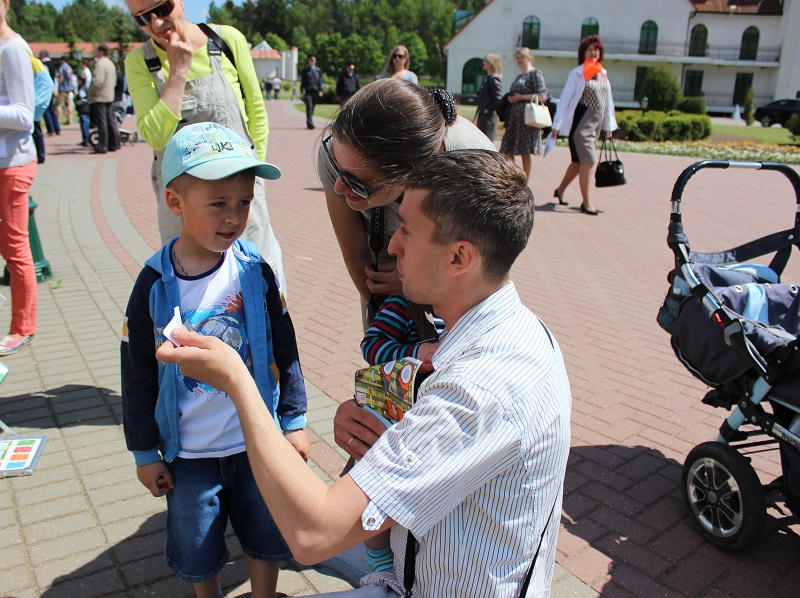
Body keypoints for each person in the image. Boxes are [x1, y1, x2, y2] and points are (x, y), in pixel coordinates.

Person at [156, 149, 572, 597]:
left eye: (407, 231)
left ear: (459, 258)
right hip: (414, 565)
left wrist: (237, 381)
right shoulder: (511, 329)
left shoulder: (479, 390)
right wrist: (381, 428)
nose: (392, 246)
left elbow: (313, 533)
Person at [121, 122, 309, 598]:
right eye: (218, 204)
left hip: (256, 441)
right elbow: (137, 375)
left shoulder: (253, 271)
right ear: (175, 202)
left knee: (266, 532)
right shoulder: (153, 285)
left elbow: (285, 349)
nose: (234, 217)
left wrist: (293, 421)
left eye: (244, 202)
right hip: (189, 456)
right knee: (197, 546)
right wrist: (144, 454)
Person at [124, 0, 287, 295]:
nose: (156, 23)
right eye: (142, 18)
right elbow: (156, 136)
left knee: (257, 274)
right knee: (190, 283)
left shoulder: (226, 40)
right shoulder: (139, 61)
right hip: (184, 200)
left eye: (162, 8)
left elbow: (256, 112)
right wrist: (178, 72)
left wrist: (253, 180)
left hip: (238, 192)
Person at [318, 78, 495, 329]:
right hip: (385, 271)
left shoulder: (472, 165)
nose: (339, 187)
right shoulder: (340, 154)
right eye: (338, 169)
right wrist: (391, 323)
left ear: (411, 175)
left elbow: (483, 270)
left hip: (457, 277)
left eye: (358, 183)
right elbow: (358, 259)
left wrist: (413, 283)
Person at [0, 0, 38, 356]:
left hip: (12, 163)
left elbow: (24, 114)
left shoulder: (12, 48)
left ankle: (23, 326)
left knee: (14, 246)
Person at [550, 35, 618, 216]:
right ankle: (586, 202)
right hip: (580, 127)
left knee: (577, 163)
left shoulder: (603, 74)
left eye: (596, 49)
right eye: (590, 49)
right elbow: (565, 100)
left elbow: (608, 103)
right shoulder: (578, 73)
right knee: (588, 161)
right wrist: (557, 125)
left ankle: (560, 190)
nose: (593, 52)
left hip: (594, 127)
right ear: (583, 53)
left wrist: (608, 126)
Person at [499, 47, 547, 183]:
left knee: (525, 151)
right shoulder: (519, 76)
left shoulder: (535, 73)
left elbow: (542, 96)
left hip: (527, 117)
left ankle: (525, 181)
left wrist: (521, 97)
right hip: (514, 117)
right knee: (507, 148)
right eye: (518, 58)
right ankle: (515, 177)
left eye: (522, 58)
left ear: (529, 58)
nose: (519, 60)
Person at [89, 44, 121, 154]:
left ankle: (102, 145)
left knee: (101, 122)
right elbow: (114, 80)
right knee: (110, 120)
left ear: (101, 52)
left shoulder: (100, 64)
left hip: (100, 95)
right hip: (109, 94)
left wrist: (91, 92)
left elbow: (98, 81)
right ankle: (114, 143)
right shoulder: (110, 63)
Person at [474, 52, 503, 143]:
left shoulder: (494, 79)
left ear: (491, 63)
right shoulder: (488, 78)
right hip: (483, 115)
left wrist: (488, 109)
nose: (483, 63)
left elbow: (498, 98)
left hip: (489, 117)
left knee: (487, 142)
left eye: (485, 61)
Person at [38, 50, 60, 137]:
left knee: (46, 110)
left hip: (46, 90)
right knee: (52, 110)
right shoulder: (52, 64)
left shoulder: (44, 65)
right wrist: (55, 89)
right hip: (52, 88)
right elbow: (55, 79)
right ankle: (57, 128)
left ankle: (51, 129)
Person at [299, 53, 322, 130]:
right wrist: (302, 91)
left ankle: (310, 121)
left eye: (313, 60)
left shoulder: (318, 71)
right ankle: (310, 123)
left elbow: (320, 81)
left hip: (315, 91)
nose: (312, 61)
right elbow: (303, 82)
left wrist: (320, 90)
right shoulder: (306, 71)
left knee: (313, 107)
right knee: (309, 106)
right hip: (308, 91)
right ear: (308, 61)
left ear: (315, 61)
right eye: (310, 60)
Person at [56, 55, 74, 125]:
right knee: (68, 104)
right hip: (68, 88)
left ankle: (57, 120)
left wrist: (57, 84)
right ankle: (69, 119)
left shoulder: (62, 67)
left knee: (59, 105)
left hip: (63, 88)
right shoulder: (69, 67)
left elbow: (61, 77)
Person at [74, 73, 91, 147]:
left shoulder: (82, 88)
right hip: (86, 108)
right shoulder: (86, 87)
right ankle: (85, 139)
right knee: (85, 124)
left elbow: (83, 98)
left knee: (84, 125)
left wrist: (77, 102)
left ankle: (86, 140)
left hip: (84, 108)